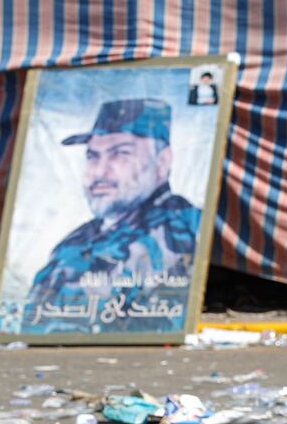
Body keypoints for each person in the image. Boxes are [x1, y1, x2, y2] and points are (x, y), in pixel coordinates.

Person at [26, 98, 200, 334]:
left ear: (162, 162)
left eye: (120, 154)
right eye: (93, 156)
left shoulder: (186, 228)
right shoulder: (77, 240)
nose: (100, 171)